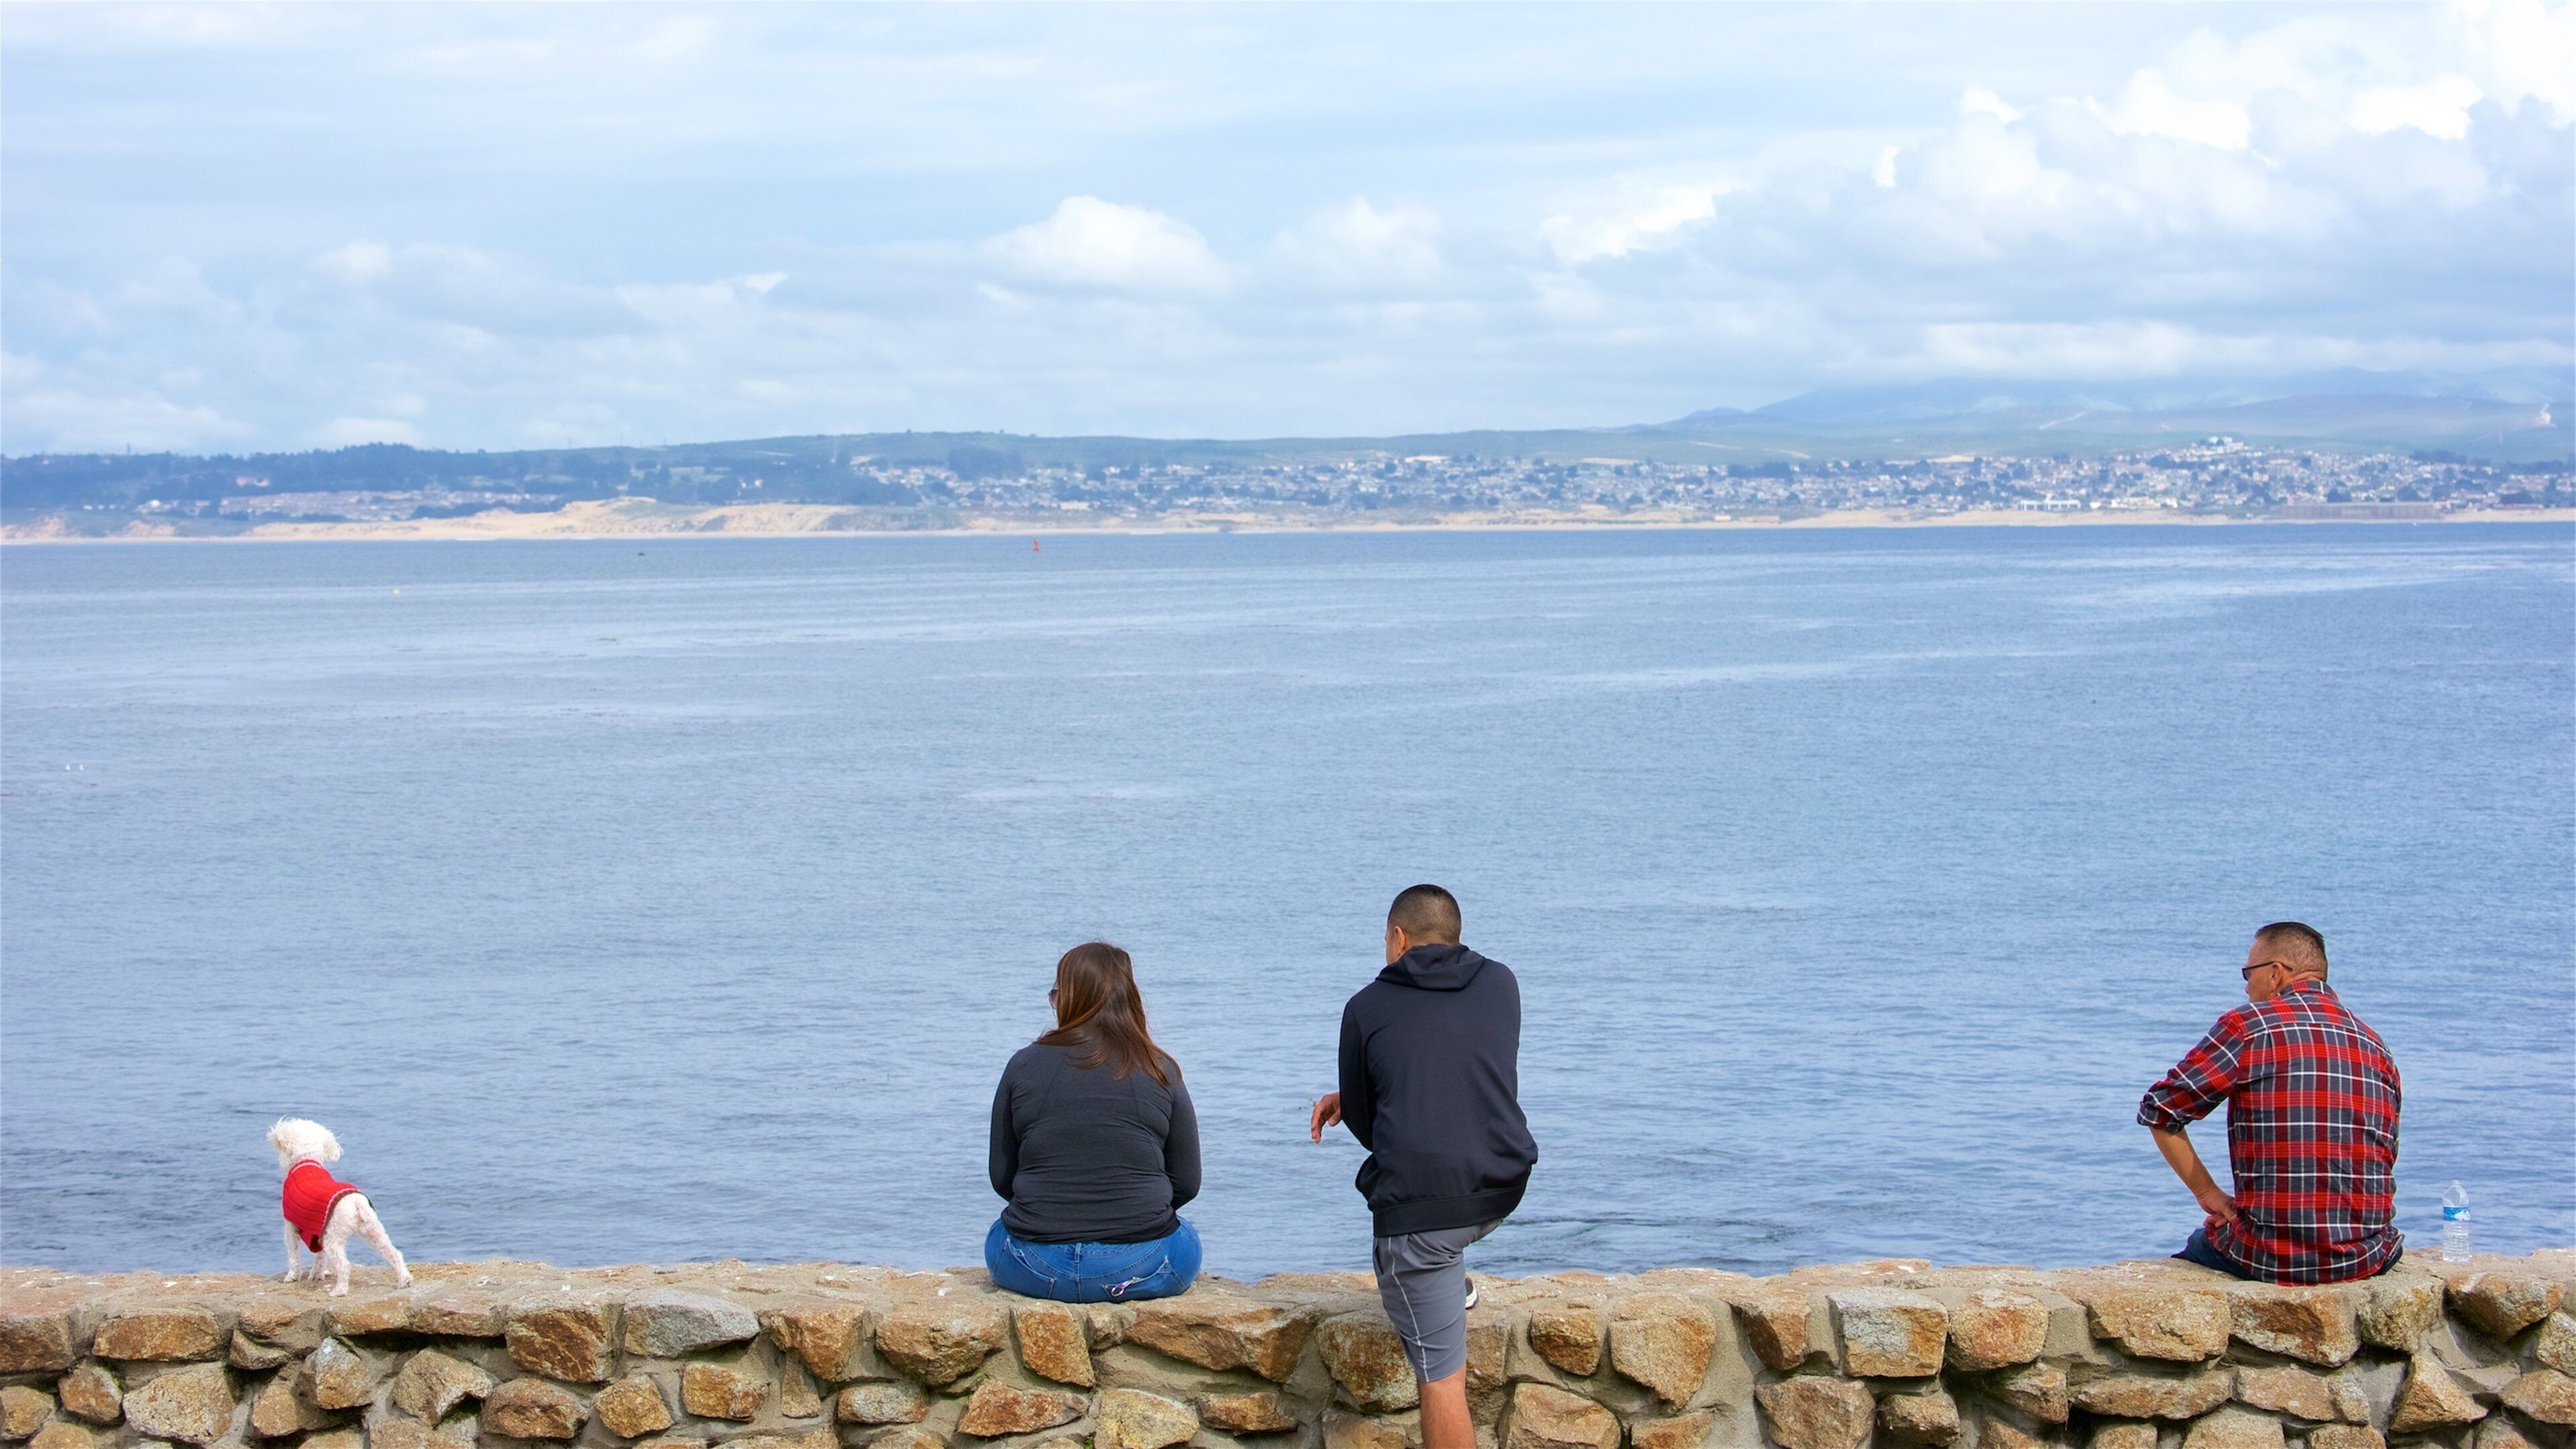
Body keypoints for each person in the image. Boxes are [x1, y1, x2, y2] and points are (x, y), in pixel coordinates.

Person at [1309, 885, 1536, 1449]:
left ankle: (1436, 1283)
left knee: (1440, 1380)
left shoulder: (1366, 1007)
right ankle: (1449, 1284)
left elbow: (1369, 1127)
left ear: (1398, 938)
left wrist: (1362, 1098)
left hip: (1427, 1211)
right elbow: (1460, 1060)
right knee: (1429, 1247)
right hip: (1502, 1184)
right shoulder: (1501, 982)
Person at [2138, 921, 2404, 1285]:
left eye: (2249, 973)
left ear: (2276, 973)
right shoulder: (2375, 1045)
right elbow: (2383, 1154)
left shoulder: (2249, 1026)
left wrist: (2208, 1193)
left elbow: (2160, 1110)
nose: (2246, 986)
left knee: (2197, 1247)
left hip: (2270, 1255)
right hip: (2365, 1255)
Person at [986, 941, 1203, 1302]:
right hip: (1142, 1264)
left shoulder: (1022, 1064)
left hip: (1034, 1265)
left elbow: (1002, 1176)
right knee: (1187, 1237)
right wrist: (1131, 1217)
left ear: (1070, 1001)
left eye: (1057, 995)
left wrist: (1055, 1213)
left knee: (999, 1234)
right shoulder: (1161, 1069)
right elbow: (1188, 1183)